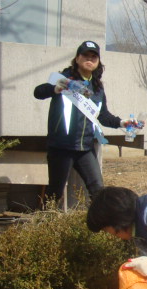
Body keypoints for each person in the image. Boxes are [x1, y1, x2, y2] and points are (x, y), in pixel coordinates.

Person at [34, 41, 132, 204]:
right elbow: (38, 92)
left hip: (85, 148)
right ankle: (45, 219)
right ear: (77, 58)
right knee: (54, 194)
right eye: (85, 55)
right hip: (61, 147)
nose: (89, 59)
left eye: (94, 56)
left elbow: (103, 116)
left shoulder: (97, 88)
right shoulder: (64, 79)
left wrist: (123, 123)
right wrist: (55, 89)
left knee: (98, 191)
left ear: (98, 61)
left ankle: (99, 220)